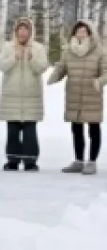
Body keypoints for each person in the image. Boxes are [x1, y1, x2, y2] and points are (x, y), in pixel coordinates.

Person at [48, 20, 105, 174]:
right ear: (74, 33)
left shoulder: (100, 51)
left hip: (92, 94)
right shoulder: (68, 51)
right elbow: (61, 67)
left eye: (84, 31)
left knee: (93, 128)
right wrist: (54, 76)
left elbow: (105, 72)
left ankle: (92, 162)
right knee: (76, 129)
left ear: (90, 33)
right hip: (74, 94)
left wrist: (99, 81)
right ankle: (79, 160)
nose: (81, 33)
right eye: (78, 30)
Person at [0, 17, 49, 171]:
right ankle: (12, 161)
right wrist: (15, 57)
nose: (23, 32)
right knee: (12, 130)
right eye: (20, 29)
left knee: (30, 131)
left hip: (31, 95)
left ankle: (30, 161)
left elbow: (42, 67)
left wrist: (31, 58)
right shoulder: (8, 47)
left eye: (26, 29)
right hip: (11, 95)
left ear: (30, 32)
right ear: (15, 31)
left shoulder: (38, 48)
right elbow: (1, 65)